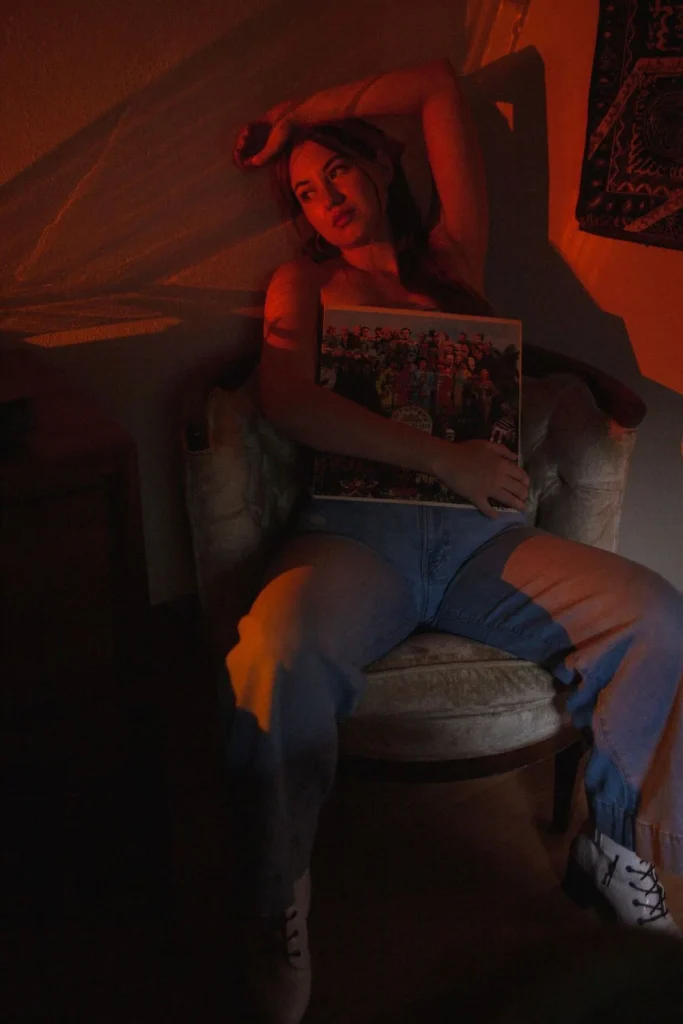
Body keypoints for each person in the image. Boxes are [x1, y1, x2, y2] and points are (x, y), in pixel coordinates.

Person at [230, 57, 683, 1024]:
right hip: (362, 535)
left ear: (380, 166)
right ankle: (278, 898)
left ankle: (613, 842)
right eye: (304, 193)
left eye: (338, 172)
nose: (325, 201)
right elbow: (285, 397)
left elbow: (439, 85)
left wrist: (297, 109)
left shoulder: (453, 262)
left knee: (654, 614)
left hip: (484, 542)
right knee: (276, 650)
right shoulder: (303, 282)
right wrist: (446, 461)